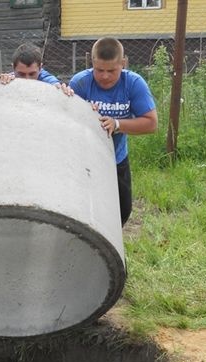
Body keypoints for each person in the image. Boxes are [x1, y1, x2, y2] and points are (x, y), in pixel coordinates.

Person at [69, 37, 157, 226]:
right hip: (85, 161)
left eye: (112, 70)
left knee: (122, 211)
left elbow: (151, 123)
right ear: (92, 63)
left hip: (116, 159)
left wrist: (117, 124)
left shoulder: (133, 83)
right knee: (84, 213)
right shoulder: (80, 83)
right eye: (99, 70)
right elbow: (67, 123)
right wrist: (85, 114)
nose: (105, 76)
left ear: (122, 63)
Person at [0, 43, 74, 96]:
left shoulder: (47, 79)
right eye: (21, 74)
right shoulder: (9, 78)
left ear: (40, 68)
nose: (27, 80)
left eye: (32, 74)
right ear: (13, 68)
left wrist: (61, 89)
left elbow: (54, 84)